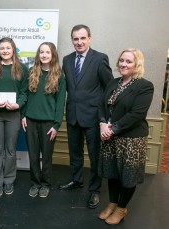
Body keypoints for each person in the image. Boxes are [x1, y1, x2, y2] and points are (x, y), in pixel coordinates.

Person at [59, 24, 114, 209]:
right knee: (74, 152)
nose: (79, 42)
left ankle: (94, 190)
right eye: (76, 39)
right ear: (72, 40)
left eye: (83, 38)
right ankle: (76, 180)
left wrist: (105, 118)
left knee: (95, 156)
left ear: (89, 38)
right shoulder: (66, 60)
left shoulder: (99, 58)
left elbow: (110, 88)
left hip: (93, 117)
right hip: (73, 115)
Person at [98, 48, 154, 224]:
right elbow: (102, 106)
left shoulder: (144, 86)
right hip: (110, 137)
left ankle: (122, 208)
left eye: (128, 61)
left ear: (137, 64)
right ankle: (112, 204)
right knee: (112, 173)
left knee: (128, 176)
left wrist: (111, 129)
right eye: (121, 60)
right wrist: (101, 123)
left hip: (132, 139)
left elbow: (136, 114)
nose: (123, 64)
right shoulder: (113, 83)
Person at [0, 37, 28, 196]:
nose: (5, 51)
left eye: (8, 48)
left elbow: (24, 92)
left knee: (10, 150)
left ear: (13, 49)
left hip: (13, 115)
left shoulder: (22, 68)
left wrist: (19, 104)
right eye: (2, 48)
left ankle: (8, 180)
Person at [21, 42, 66, 198]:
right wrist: (23, 116)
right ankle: (35, 183)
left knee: (46, 156)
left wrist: (56, 125)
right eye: (41, 52)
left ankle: (45, 184)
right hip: (31, 121)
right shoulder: (31, 72)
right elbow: (24, 96)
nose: (44, 55)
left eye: (47, 52)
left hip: (48, 123)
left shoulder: (59, 76)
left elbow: (60, 103)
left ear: (53, 55)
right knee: (33, 155)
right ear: (38, 55)